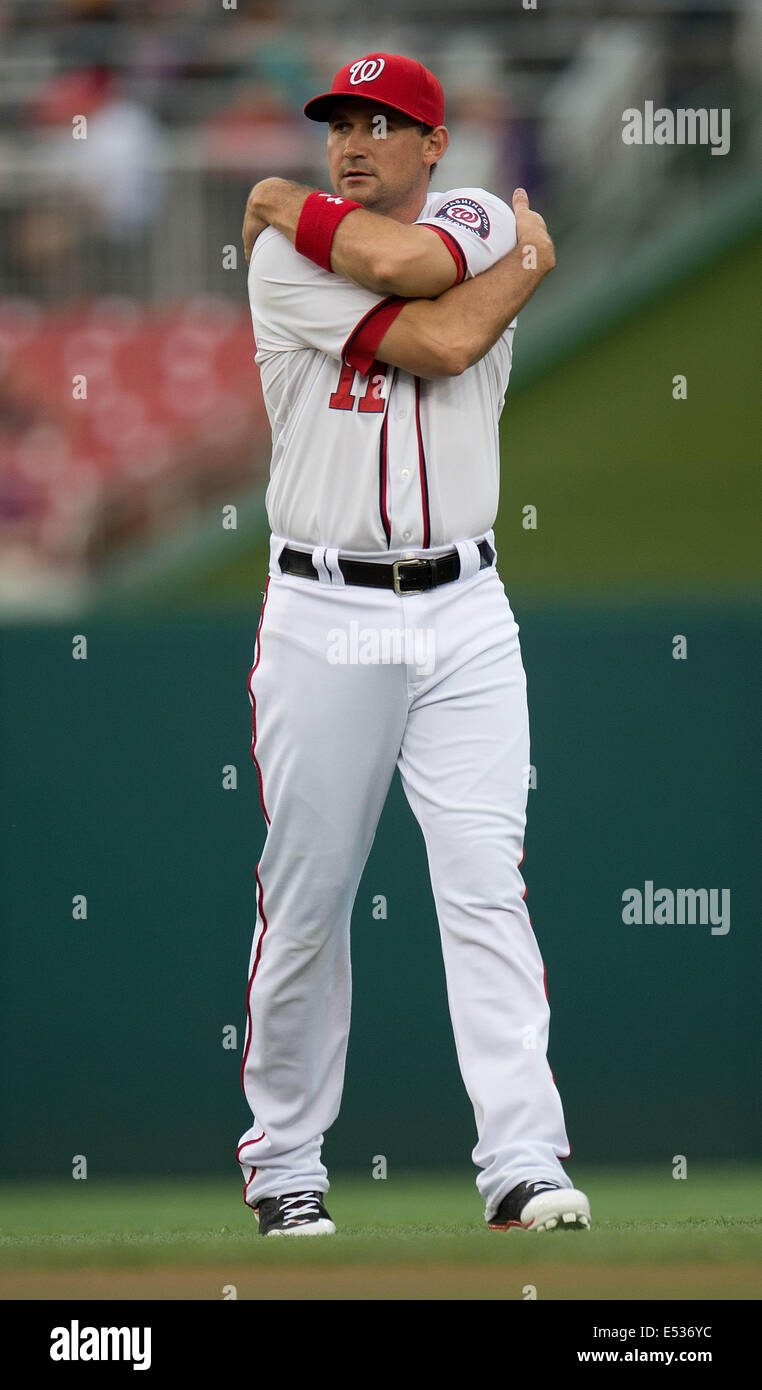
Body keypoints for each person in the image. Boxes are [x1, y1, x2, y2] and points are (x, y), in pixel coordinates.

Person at [236, 52, 591, 1237]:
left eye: (384, 123)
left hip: (467, 604)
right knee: (311, 892)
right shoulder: (285, 258)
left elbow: (424, 282)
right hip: (326, 603)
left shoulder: (478, 216)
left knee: (487, 884)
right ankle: (285, 1161)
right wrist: (530, 269)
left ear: (434, 146)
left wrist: (509, 258)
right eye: (339, 122)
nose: (353, 139)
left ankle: (525, 1161)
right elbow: (434, 335)